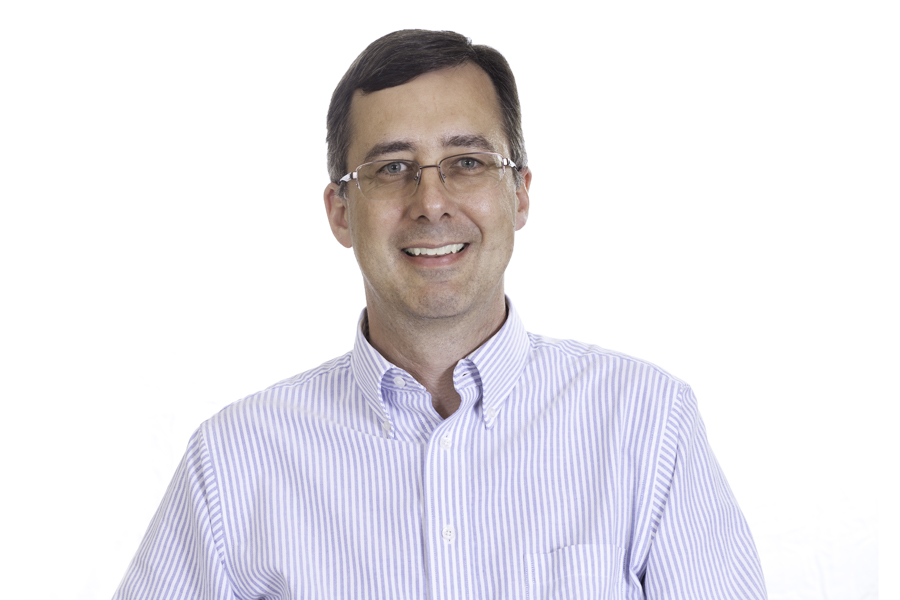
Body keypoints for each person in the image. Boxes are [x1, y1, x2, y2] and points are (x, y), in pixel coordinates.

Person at [113, 29, 767, 599]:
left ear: (520, 194)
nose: (431, 201)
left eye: (466, 162)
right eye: (393, 167)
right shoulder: (234, 461)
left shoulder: (648, 426)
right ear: (341, 211)